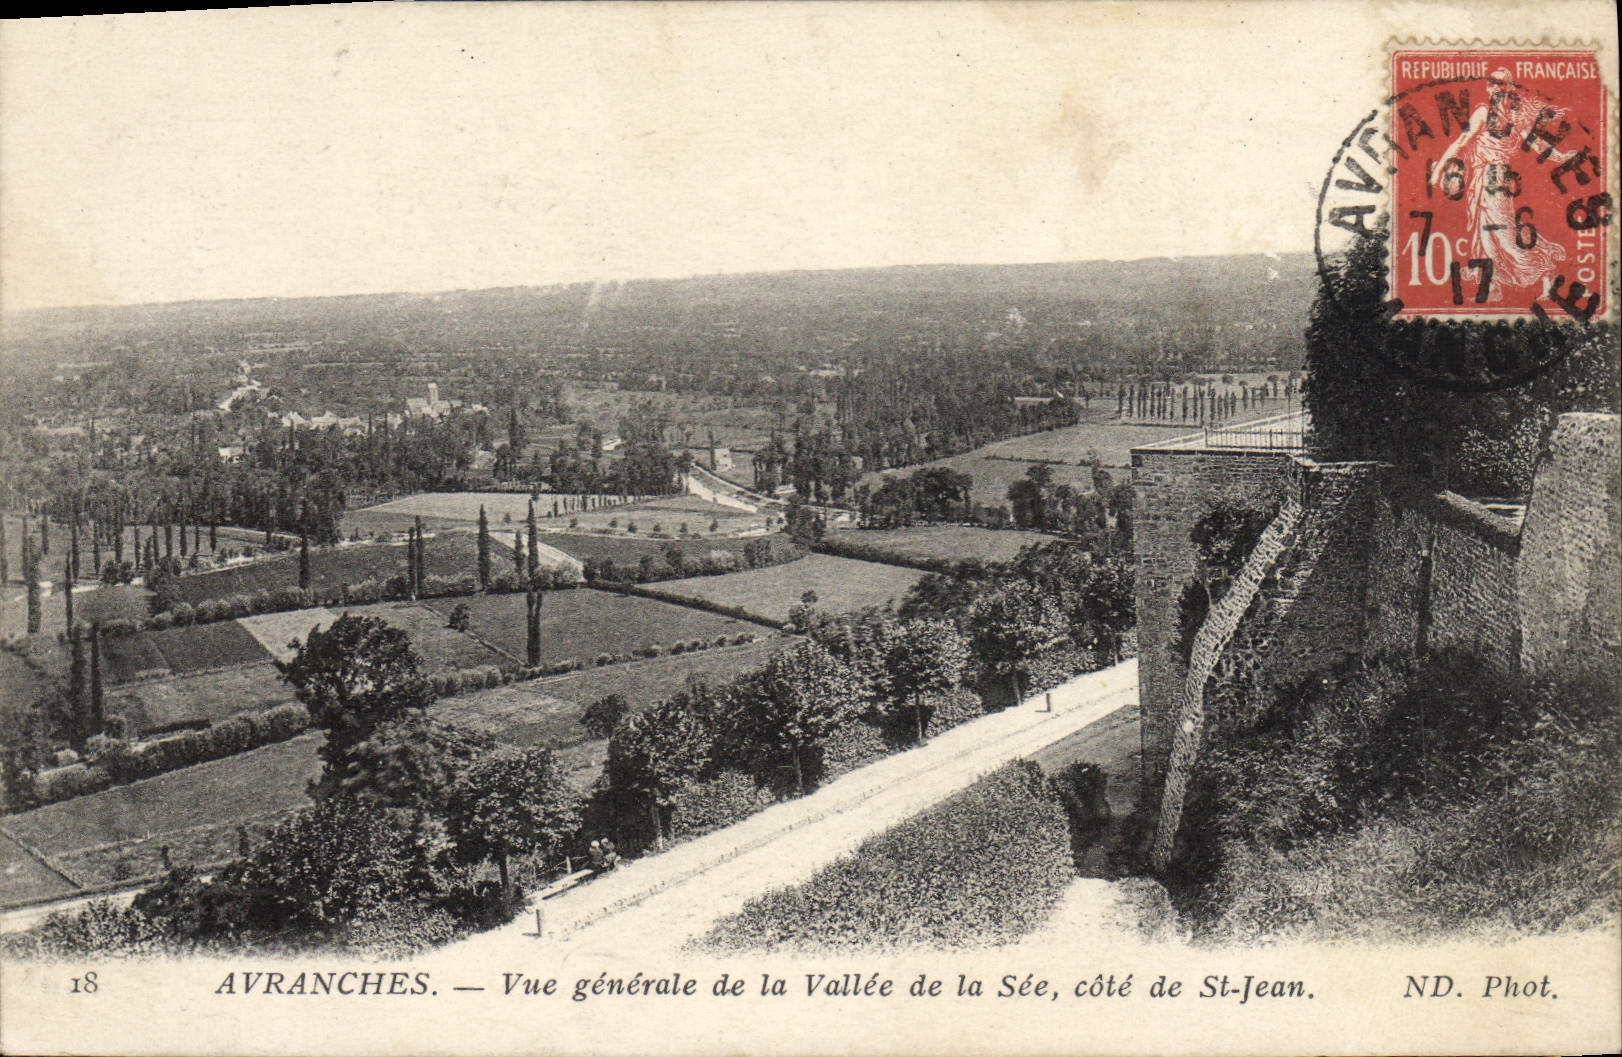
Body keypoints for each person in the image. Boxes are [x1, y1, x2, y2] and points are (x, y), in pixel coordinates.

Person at [1430, 69, 1576, 300]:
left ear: (1509, 88)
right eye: (1493, 84)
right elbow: (1461, 142)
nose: (1496, 88)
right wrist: (1439, 170)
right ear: (1488, 88)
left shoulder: (1512, 117)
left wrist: (1562, 157)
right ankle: (1492, 288)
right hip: (1485, 179)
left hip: (1494, 178)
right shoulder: (1488, 114)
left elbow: (1537, 144)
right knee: (1486, 235)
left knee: (1503, 236)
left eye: (1501, 84)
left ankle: (1546, 272)